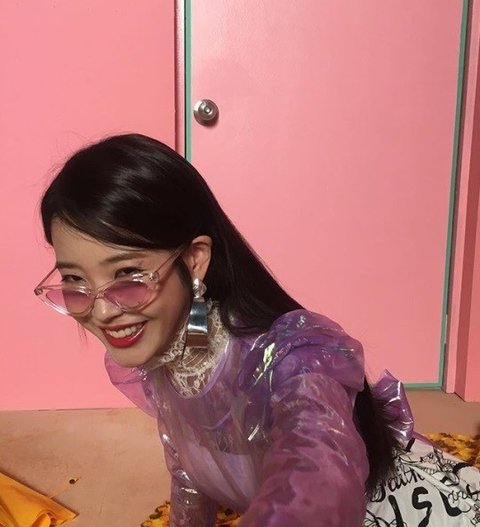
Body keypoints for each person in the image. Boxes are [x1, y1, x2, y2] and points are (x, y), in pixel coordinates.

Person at [34, 134, 480, 526]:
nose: (102, 310)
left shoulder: (295, 358)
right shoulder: (174, 352)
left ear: (194, 260)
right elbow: (190, 470)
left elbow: (318, 479)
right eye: (74, 280)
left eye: (128, 275)